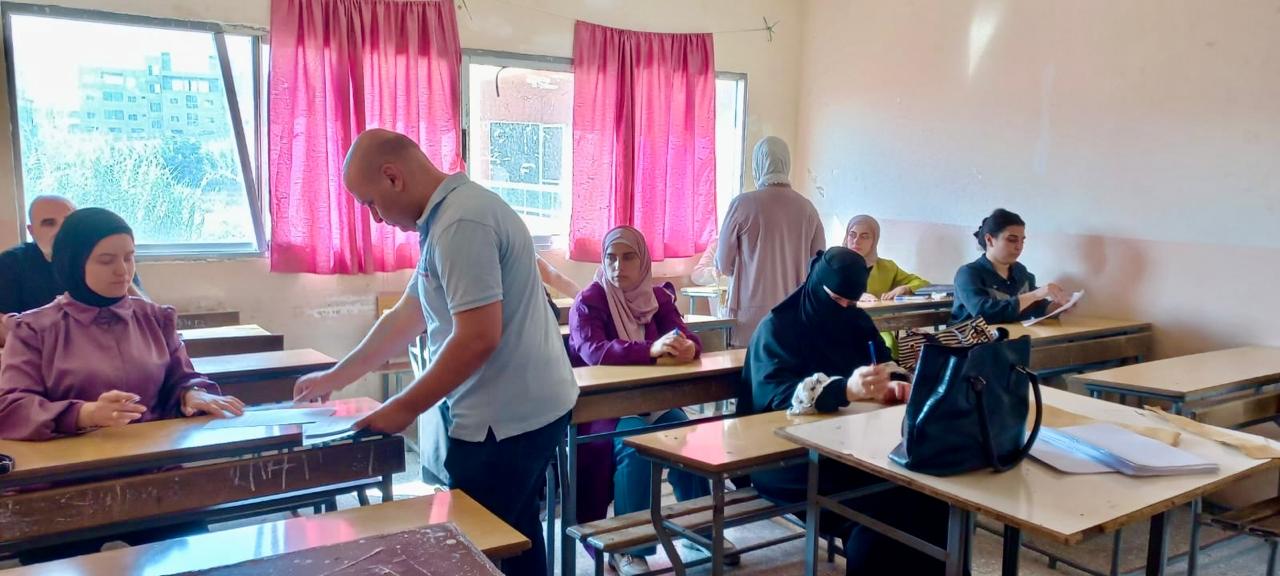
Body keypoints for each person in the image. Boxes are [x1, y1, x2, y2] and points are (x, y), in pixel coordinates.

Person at [292, 129, 576, 576]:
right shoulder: (447, 218)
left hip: (506, 422)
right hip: (518, 411)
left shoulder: (462, 223)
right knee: (515, 535)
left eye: (370, 203)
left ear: (393, 177)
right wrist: (335, 377)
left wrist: (403, 408)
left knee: (479, 547)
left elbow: (477, 337)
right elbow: (407, 316)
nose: (376, 219)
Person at [742, 247, 951, 575]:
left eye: (850, 302)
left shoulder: (856, 320)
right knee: (876, 517)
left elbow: (882, 361)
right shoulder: (778, 327)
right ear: (816, 284)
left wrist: (893, 383)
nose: (842, 308)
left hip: (848, 448)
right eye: (835, 299)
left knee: (928, 501)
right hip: (787, 459)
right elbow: (776, 397)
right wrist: (844, 390)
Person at [0, 207, 242, 442]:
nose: (122, 270)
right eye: (106, 261)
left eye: (129, 257)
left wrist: (192, 393)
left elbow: (181, 378)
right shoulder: (33, 330)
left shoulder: (156, 318)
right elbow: (12, 408)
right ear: (74, 264)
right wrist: (84, 414)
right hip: (71, 462)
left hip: (155, 456)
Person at [567, 226, 721, 576]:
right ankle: (628, 547)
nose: (617, 266)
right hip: (604, 408)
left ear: (643, 261)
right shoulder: (590, 301)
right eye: (611, 258)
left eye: (628, 257)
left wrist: (688, 346)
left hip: (653, 400)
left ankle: (699, 531)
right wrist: (651, 350)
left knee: (687, 435)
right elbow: (595, 351)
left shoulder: (657, 299)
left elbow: (685, 335)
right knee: (634, 446)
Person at [717, 136, 824, 347]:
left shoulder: (742, 204)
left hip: (750, 315)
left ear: (757, 164)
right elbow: (818, 265)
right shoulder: (808, 209)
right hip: (794, 313)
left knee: (747, 364)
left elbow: (723, 263)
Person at [0, 195, 146, 345]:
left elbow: (147, 319)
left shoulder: (110, 257)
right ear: (32, 231)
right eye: (49, 223)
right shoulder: (11, 263)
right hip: (41, 349)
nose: (60, 230)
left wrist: (121, 278)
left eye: (68, 222)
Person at [952, 208, 1069, 324]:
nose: (1019, 247)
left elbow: (1034, 307)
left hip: (1012, 335)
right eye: (1012, 240)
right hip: (971, 335)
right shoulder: (968, 273)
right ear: (989, 240)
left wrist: (1057, 307)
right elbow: (984, 314)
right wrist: (1035, 294)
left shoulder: (1020, 271)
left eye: (1022, 241)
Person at [844, 214, 932, 355]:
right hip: (842, 325)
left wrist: (905, 288)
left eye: (864, 236)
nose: (856, 241)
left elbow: (923, 284)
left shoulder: (886, 267)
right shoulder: (833, 264)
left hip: (877, 326)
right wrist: (855, 296)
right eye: (852, 235)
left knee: (888, 344)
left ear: (874, 241)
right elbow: (821, 293)